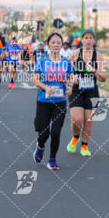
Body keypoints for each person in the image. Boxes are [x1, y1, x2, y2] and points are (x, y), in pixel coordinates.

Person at [32, 32, 74, 170]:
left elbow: (71, 78)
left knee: (56, 132)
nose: (56, 45)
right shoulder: (42, 61)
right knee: (44, 132)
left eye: (58, 42)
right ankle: (40, 146)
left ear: (62, 45)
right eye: (53, 42)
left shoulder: (66, 62)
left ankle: (52, 160)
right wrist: (46, 88)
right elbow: (35, 80)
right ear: (48, 45)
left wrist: (69, 88)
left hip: (60, 102)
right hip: (43, 101)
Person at [66, 29, 107, 157]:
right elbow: (66, 71)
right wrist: (72, 78)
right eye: (86, 38)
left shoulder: (98, 56)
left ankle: (84, 145)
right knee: (77, 119)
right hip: (77, 90)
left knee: (88, 121)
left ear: (94, 41)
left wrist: (94, 71)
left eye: (91, 38)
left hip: (92, 91)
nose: (88, 40)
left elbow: (104, 78)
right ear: (82, 40)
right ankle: (75, 137)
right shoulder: (74, 54)